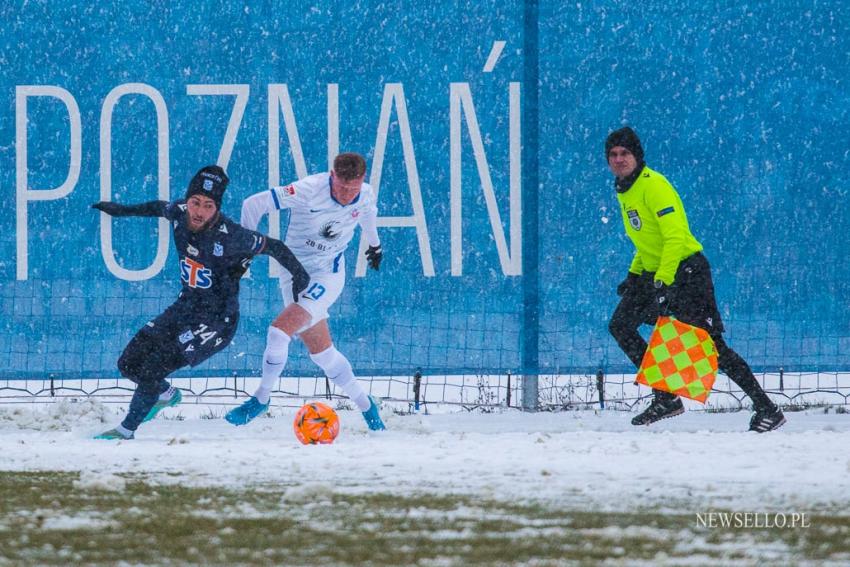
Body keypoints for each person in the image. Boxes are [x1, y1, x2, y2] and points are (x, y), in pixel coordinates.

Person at [91, 165, 309, 439]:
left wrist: (300, 276)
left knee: (151, 368)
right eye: (195, 202)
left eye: (208, 205)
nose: (199, 211)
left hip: (216, 323)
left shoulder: (231, 236)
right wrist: (122, 210)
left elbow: (275, 247)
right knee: (129, 363)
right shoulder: (180, 212)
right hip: (185, 306)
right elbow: (159, 207)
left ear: (216, 208)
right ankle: (165, 394)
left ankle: (125, 432)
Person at [605, 127, 786, 432]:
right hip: (657, 272)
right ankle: (666, 398)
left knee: (711, 347)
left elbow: (675, 236)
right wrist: (634, 275)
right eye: (613, 154)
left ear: (638, 157)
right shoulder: (625, 189)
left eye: (625, 153)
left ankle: (767, 408)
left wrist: (663, 280)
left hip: (687, 272)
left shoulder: (655, 186)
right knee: (621, 325)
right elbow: (647, 240)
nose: (619, 159)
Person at [225, 152, 386, 431]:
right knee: (322, 354)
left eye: (354, 188)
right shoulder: (308, 189)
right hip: (294, 273)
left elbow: (368, 213)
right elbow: (254, 204)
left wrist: (374, 245)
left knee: (278, 331)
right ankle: (367, 405)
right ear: (331, 176)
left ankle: (261, 398)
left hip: (329, 275)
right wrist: (245, 248)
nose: (348, 194)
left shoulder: (366, 193)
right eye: (342, 187)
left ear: (362, 181)